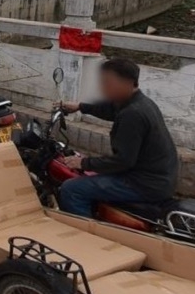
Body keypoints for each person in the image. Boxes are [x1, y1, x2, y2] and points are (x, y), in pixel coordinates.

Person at [57, 59, 179, 218]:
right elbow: (111, 110)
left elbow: (123, 161)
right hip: (158, 179)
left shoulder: (132, 114)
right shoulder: (140, 102)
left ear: (127, 82)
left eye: (108, 83)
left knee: (72, 189)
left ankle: (83, 230)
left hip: (144, 184)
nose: (102, 88)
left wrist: (83, 163)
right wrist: (80, 106)